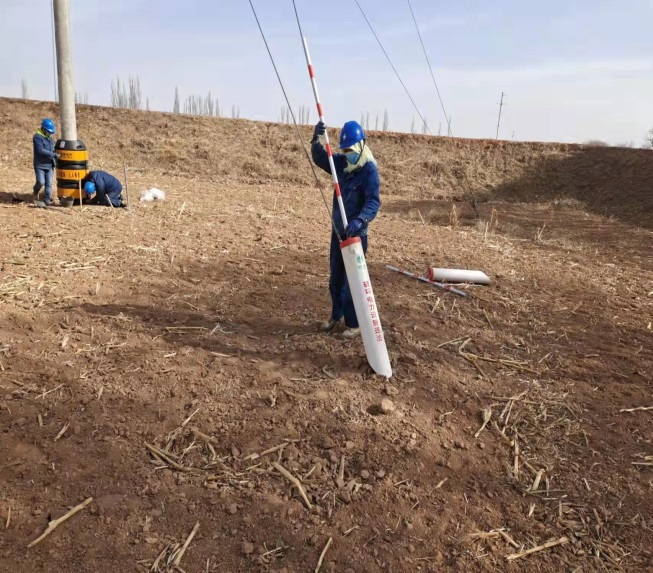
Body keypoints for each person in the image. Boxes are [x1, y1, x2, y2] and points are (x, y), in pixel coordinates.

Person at [311, 120, 380, 339]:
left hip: (356, 236)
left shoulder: (369, 171)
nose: (347, 153)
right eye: (344, 150)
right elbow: (322, 159)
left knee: (353, 282)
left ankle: (354, 323)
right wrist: (316, 140)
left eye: (350, 150)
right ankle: (336, 315)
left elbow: (373, 202)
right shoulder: (341, 164)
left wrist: (360, 220)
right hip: (338, 232)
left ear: (360, 146)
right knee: (336, 278)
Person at [33, 118, 57, 205]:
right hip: (40, 165)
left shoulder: (50, 138)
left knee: (49, 183)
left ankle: (47, 199)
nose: (50, 133)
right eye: (48, 131)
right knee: (41, 182)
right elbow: (40, 150)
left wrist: (56, 155)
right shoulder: (37, 137)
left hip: (49, 165)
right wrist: (53, 155)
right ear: (43, 129)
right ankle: (35, 191)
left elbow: (53, 149)